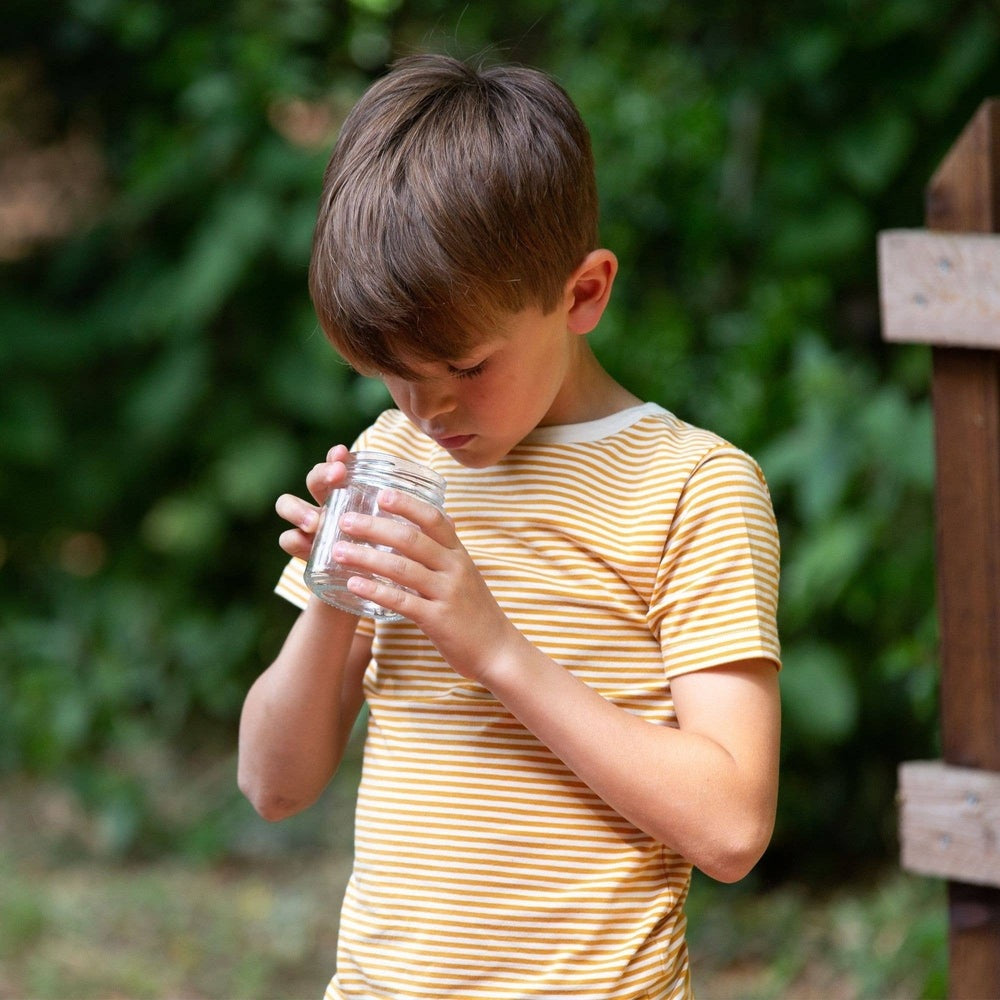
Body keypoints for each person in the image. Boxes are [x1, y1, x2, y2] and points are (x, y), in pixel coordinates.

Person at [238, 52, 781, 1000]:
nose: (427, 412)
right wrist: (334, 599)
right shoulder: (394, 458)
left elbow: (732, 827)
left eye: (466, 368)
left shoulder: (695, 487)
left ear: (583, 293)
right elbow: (273, 787)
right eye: (391, 376)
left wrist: (492, 647)